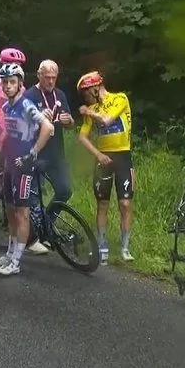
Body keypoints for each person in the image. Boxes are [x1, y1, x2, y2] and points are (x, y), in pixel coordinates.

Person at [0, 63, 53, 277]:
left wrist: (32, 154)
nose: (7, 86)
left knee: (22, 213)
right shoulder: (6, 107)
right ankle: (9, 253)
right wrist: (0, 145)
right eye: (4, 82)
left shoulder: (26, 105)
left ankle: (16, 261)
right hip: (9, 162)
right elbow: (12, 131)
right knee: (10, 209)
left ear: (20, 84)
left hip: (24, 165)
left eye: (12, 82)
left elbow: (48, 128)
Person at [75, 71, 135, 265]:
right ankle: (102, 243)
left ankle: (125, 246)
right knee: (102, 203)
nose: (84, 98)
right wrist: (97, 155)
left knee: (125, 204)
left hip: (123, 156)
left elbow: (107, 119)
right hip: (103, 157)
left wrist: (88, 112)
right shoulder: (91, 109)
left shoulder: (119, 98)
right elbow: (82, 137)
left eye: (85, 92)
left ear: (95, 88)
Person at [22, 59, 75, 255]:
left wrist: (68, 120)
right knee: (34, 199)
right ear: (39, 75)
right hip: (36, 154)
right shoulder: (29, 95)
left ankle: (46, 225)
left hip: (56, 154)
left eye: (54, 77)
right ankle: (32, 237)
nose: (51, 81)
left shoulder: (59, 94)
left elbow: (70, 124)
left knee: (65, 190)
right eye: (47, 77)